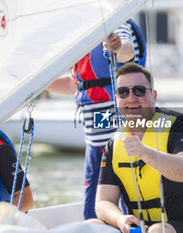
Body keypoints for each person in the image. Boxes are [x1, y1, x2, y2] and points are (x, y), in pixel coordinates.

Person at [95, 63, 183, 233]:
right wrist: (120, 219)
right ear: (117, 99)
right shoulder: (113, 144)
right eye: (123, 92)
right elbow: (103, 202)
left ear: (153, 96)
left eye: (139, 90)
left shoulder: (179, 127)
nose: (131, 98)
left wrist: (145, 153)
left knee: (157, 231)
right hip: (141, 228)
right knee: (92, 225)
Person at [47, 19, 146, 219]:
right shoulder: (85, 32)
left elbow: (127, 51)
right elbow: (74, 85)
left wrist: (117, 45)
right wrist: (37, 85)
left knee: (121, 188)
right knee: (92, 199)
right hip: (93, 134)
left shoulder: (117, 24)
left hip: (112, 120)